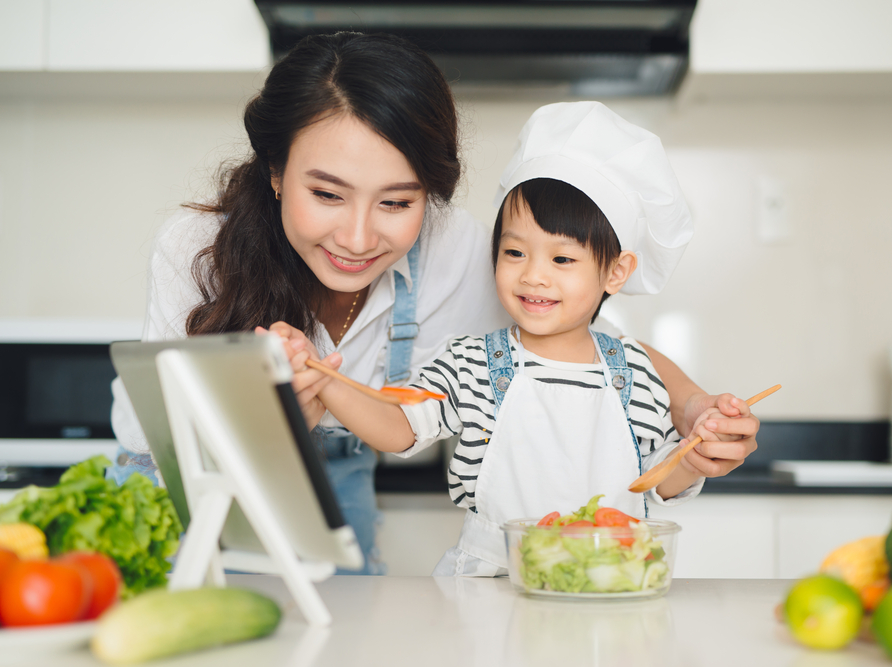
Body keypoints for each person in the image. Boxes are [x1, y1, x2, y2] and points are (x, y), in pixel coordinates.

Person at [270, 101, 761, 576]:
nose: (534, 277)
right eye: (514, 252)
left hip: (611, 577)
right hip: (492, 584)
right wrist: (323, 377)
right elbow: (399, 426)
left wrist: (693, 460)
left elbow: (653, 481)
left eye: (562, 260)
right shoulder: (471, 362)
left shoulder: (638, 375)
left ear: (616, 271)